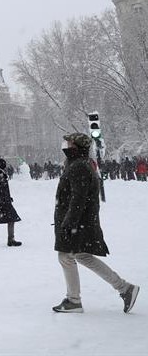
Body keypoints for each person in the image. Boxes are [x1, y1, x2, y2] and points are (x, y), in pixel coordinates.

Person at [52, 133, 140, 314]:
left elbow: (78, 198)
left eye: (69, 143)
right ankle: (124, 289)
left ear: (76, 147)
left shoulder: (79, 166)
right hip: (82, 222)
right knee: (81, 256)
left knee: (66, 256)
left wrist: (69, 222)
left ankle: (74, 300)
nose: (66, 146)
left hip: (78, 223)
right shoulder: (80, 164)